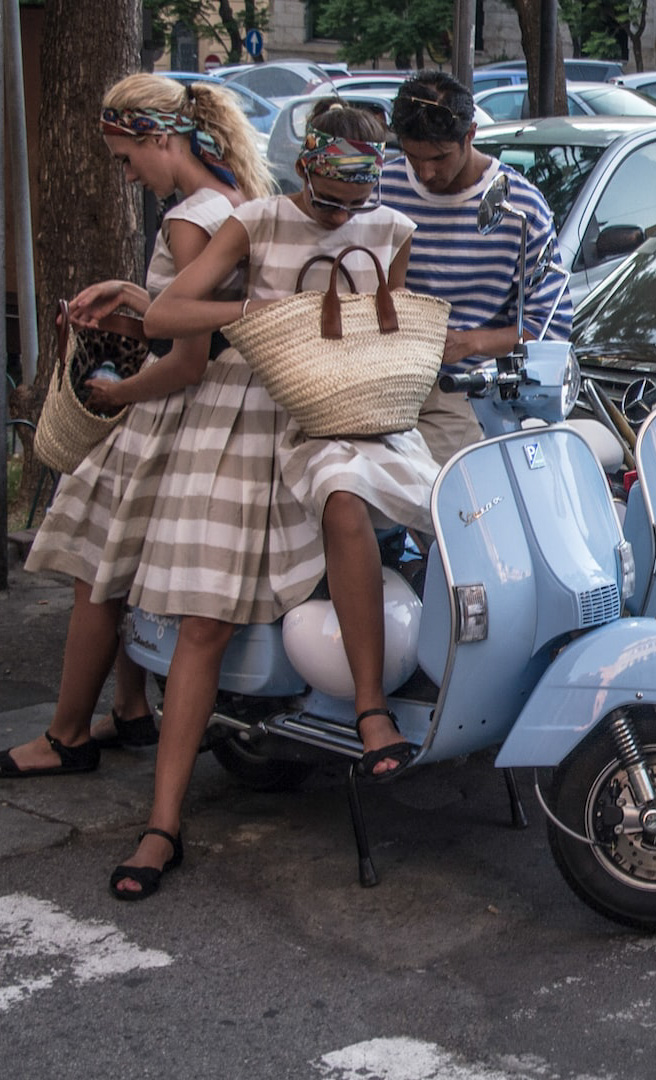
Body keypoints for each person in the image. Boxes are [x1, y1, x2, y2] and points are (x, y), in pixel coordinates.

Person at [121, 101, 437, 901]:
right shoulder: (256, 220)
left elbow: (379, 339)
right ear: (305, 169)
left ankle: (371, 709)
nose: (338, 216)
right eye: (327, 200)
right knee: (205, 619)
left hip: (338, 413)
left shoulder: (391, 231)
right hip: (245, 418)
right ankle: (162, 824)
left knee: (364, 511)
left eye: (352, 203)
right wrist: (252, 312)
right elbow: (165, 312)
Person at [0, 73, 272, 779]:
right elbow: (200, 317)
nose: (127, 176)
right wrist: (135, 295)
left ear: (160, 137)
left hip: (178, 413)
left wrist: (116, 395)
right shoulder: (239, 199)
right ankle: (127, 708)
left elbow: (185, 360)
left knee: (99, 569)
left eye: (126, 159)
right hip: (234, 418)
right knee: (131, 565)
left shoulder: (188, 218)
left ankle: (65, 736)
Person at [380, 70, 574, 465]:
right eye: (412, 157)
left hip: (465, 390)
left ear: (469, 135)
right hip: (385, 381)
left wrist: (471, 343)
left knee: (429, 484)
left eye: (438, 158)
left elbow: (548, 327)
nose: (425, 172)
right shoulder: (384, 186)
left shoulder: (522, 206)